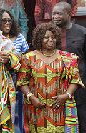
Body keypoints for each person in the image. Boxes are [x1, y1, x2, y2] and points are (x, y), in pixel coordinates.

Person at [16, 23, 83, 132]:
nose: (51, 40)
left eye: (53, 37)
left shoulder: (67, 58)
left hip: (59, 108)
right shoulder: (28, 58)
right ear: (39, 39)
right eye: (46, 37)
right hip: (36, 108)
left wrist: (66, 95)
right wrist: (31, 97)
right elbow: (22, 82)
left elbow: (75, 80)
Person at [0, 8, 29, 133]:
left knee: (16, 116)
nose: (7, 23)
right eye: (3, 20)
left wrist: (12, 59)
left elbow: (25, 60)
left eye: (9, 20)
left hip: (16, 82)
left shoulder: (19, 37)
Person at [52, 2, 86, 132]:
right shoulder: (49, 34)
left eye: (59, 13)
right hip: (55, 86)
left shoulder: (82, 33)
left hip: (80, 86)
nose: (55, 16)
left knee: (82, 119)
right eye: (53, 14)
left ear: (69, 14)